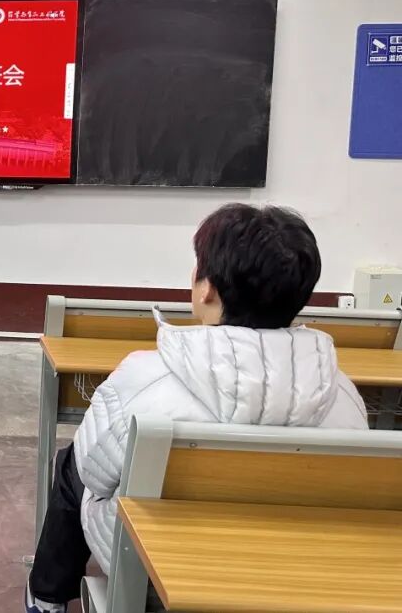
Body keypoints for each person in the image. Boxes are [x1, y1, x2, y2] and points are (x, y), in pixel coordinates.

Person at [26, 204, 369, 613]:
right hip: (299, 576)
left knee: (73, 462)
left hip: (157, 574)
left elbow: (93, 475)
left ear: (207, 289)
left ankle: (46, 598)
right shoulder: (345, 396)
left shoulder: (144, 376)